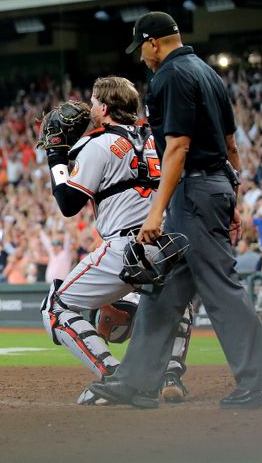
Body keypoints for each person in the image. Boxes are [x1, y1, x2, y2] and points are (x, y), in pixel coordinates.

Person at [91, 11, 262, 409]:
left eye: (141, 48)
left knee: (220, 287)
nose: (142, 57)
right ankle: (136, 381)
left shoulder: (171, 76)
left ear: (152, 42)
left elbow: (178, 146)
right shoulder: (208, 73)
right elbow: (231, 144)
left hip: (193, 191)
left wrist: (155, 212)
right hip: (211, 186)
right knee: (163, 289)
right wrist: (231, 194)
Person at [38, 77, 193, 405]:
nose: (90, 108)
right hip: (172, 240)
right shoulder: (156, 137)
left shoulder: (97, 144)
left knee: (56, 307)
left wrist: (56, 157)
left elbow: (68, 204)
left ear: (104, 108)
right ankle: (170, 375)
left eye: (94, 102)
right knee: (178, 302)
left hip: (127, 246)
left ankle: (116, 375)